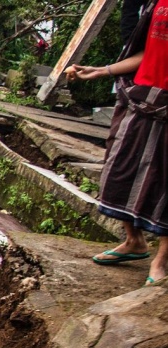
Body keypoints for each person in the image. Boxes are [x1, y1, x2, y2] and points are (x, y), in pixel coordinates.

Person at [66, 0, 168, 286]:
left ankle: (161, 260)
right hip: (143, 96)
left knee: (165, 183)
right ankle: (134, 242)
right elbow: (148, 54)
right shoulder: (155, 4)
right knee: (118, 167)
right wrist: (103, 70)